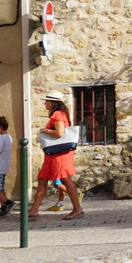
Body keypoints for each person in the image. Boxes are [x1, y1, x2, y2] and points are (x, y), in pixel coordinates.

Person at [30, 92, 84, 221]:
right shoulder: (60, 114)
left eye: (47, 101)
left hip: (59, 154)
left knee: (65, 179)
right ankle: (34, 210)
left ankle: (77, 208)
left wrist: (45, 131)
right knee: (42, 179)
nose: (45, 103)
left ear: (53, 103)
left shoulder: (57, 114)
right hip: (54, 154)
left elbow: (60, 133)